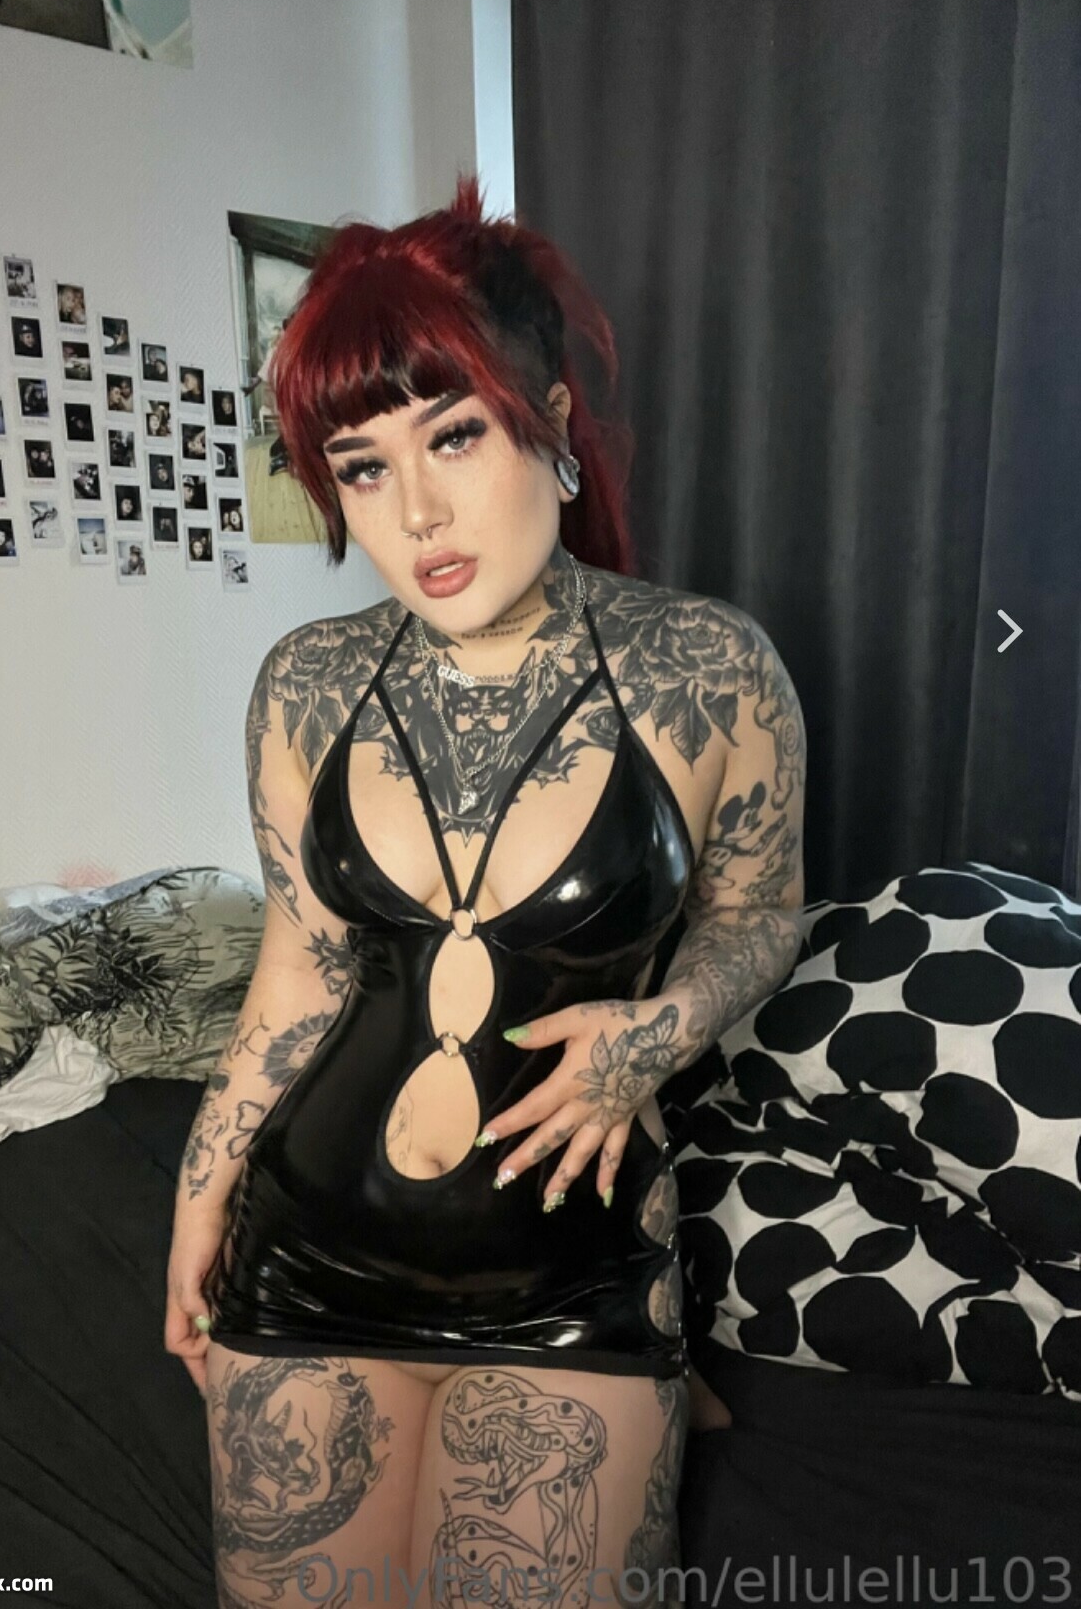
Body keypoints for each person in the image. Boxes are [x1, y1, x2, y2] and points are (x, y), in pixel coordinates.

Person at [166, 176, 806, 1608]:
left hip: (573, 1283)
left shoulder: (710, 671)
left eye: (453, 434)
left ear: (553, 425)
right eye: (363, 466)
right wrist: (199, 1204)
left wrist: (659, 1032)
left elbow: (763, 917)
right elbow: (301, 970)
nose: (417, 511)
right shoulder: (306, 686)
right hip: (305, 1264)